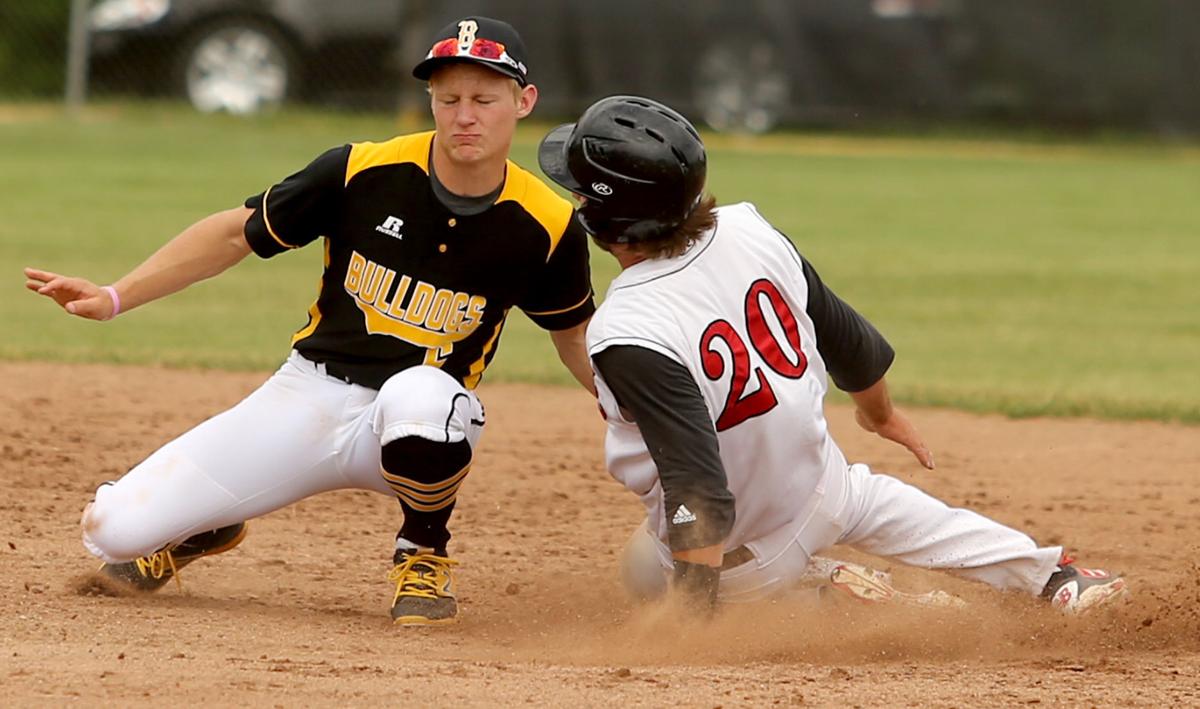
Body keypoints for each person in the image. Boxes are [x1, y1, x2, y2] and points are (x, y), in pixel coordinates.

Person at [23, 16, 596, 626]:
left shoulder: (548, 222)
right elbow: (232, 235)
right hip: (309, 393)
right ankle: (208, 523)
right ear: (429, 100)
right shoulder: (360, 172)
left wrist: (643, 411)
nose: (464, 116)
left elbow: (576, 338)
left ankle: (423, 551)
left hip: (415, 423)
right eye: (448, 98)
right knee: (113, 532)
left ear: (523, 101)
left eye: (484, 98)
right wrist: (115, 296)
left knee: (422, 395)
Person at [536, 95, 1128, 615]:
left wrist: (692, 621)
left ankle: (850, 599)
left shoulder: (626, 329)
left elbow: (698, 489)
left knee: (645, 571)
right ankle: (1055, 578)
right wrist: (880, 414)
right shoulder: (748, 230)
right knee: (922, 520)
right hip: (828, 487)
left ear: (601, 219)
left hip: (745, 558)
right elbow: (847, 338)